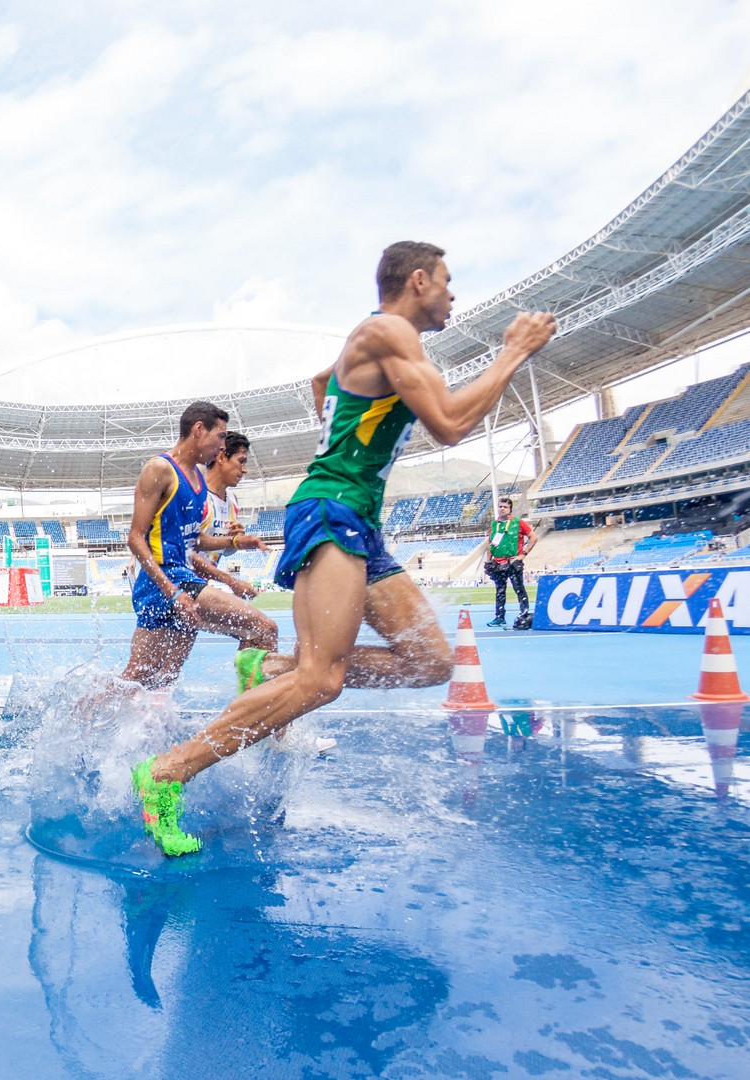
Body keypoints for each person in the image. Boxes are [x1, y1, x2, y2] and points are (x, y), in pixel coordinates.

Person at [132, 241, 558, 856]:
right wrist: (513, 351)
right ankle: (166, 773)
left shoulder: (378, 344)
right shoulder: (388, 329)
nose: (453, 295)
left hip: (357, 518)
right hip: (332, 512)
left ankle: (270, 668)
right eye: (446, 282)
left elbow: (321, 381)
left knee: (430, 662)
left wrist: (347, 438)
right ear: (417, 281)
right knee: (322, 681)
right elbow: (449, 422)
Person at [115, 406, 278, 691]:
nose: (221, 446)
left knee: (147, 679)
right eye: (220, 436)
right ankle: (256, 721)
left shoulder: (198, 479)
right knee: (264, 628)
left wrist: (235, 542)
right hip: (166, 581)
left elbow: (194, 540)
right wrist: (173, 592)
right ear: (199, 429)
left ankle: (78, 712)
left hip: (180, 583)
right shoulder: (160, 469)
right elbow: (135, 538)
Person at [484, 496, 535, 628]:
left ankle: (524, 614)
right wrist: (488, 561)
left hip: (513, 562)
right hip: (498, 563)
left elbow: (533, 537)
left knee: (519, 589)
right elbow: (490, 544)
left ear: (510, 509)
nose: (502, 509)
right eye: (500, 506)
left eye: (505, 507)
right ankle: (499, 617)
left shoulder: (518, 522)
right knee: (500, 591)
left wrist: (523, 555)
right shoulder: (494, 524)